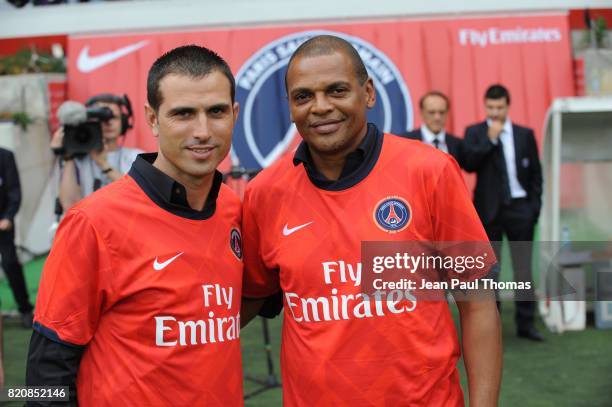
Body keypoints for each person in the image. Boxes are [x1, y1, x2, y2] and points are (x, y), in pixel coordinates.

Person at [241, 35, 501, 406]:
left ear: (368, 92)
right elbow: (240, 303)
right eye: (303, 96)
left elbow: (478, 302)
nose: (321, 107)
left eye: (337, 90)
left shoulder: (430, 172)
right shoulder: (264, 193)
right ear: (290, 107)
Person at [26, 45, 244, 405]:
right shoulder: (92, 222)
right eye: (183, 113)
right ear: (153, 118)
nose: (203, 130)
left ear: (234, 114)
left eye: (216, 111)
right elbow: (43, 375)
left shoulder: (232, 209)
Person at [463, 84, 544, 342]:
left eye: (499, 107)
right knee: (490, 272)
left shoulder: (524, 134)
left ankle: (526, 324)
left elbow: (536, 175)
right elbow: (469, 163)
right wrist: (490, 138)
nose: (495, 112)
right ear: (485, 106)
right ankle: (492, 325)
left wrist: (533, 208)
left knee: (523, 269)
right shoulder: (475, 133)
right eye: (491, 107)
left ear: (508, 106)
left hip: (520, 209)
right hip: (489, 213)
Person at [50, 93, 142, 210]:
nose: (108, 122)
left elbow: (139, 195)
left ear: (123, 122)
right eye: (101, 118)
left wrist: (104, 165)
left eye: (114, 117)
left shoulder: (137, 157)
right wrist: (68, 156)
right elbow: (69, 205)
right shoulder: (77, 160)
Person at [0, 147, 33, 328]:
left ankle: (25, 309)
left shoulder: (5, 156)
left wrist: (8, 217)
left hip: (3, 225)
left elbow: (14, 190)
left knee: (10, 263)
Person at [402, 90, 465, 167]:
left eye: (442, 112)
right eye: (431, 112)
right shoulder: (405, 141)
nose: (437, 117)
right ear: (422, 113)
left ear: (447, 113)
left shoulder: (457, 144)